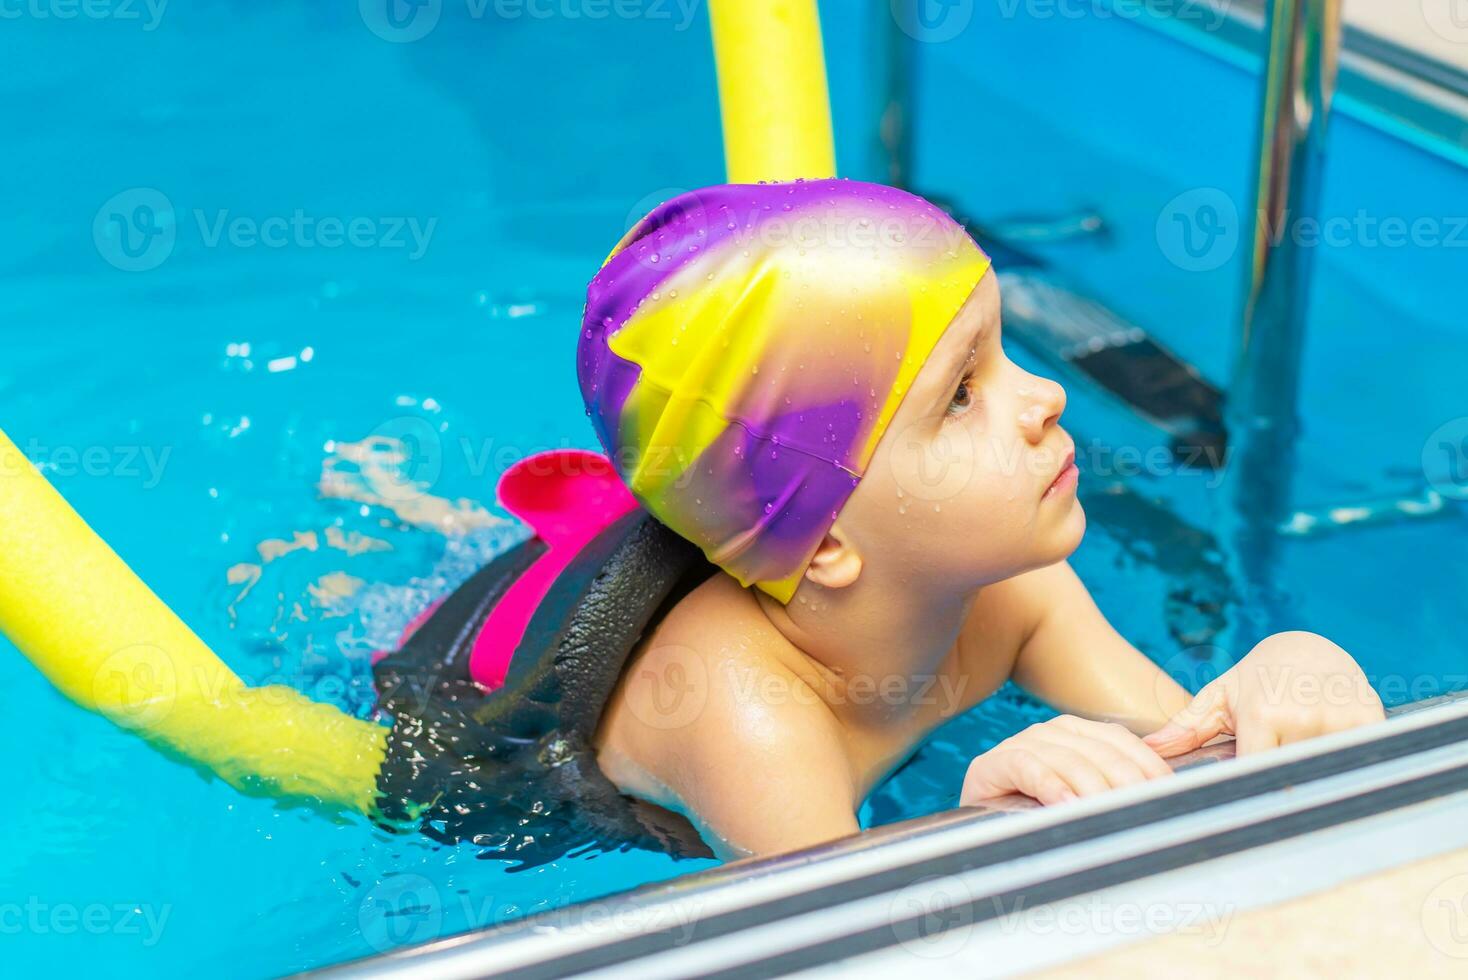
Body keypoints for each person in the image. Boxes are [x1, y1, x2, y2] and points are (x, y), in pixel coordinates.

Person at [576, 178, 1384, 861]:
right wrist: (965, 831)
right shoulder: (745, 717)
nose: (1046, 397)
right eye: (961, 393)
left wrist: (1288, 672)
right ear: (825, 542)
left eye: (1001, 351)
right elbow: (864, 946)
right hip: (513, 780)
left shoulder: (1012, 589)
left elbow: (1184, 757)